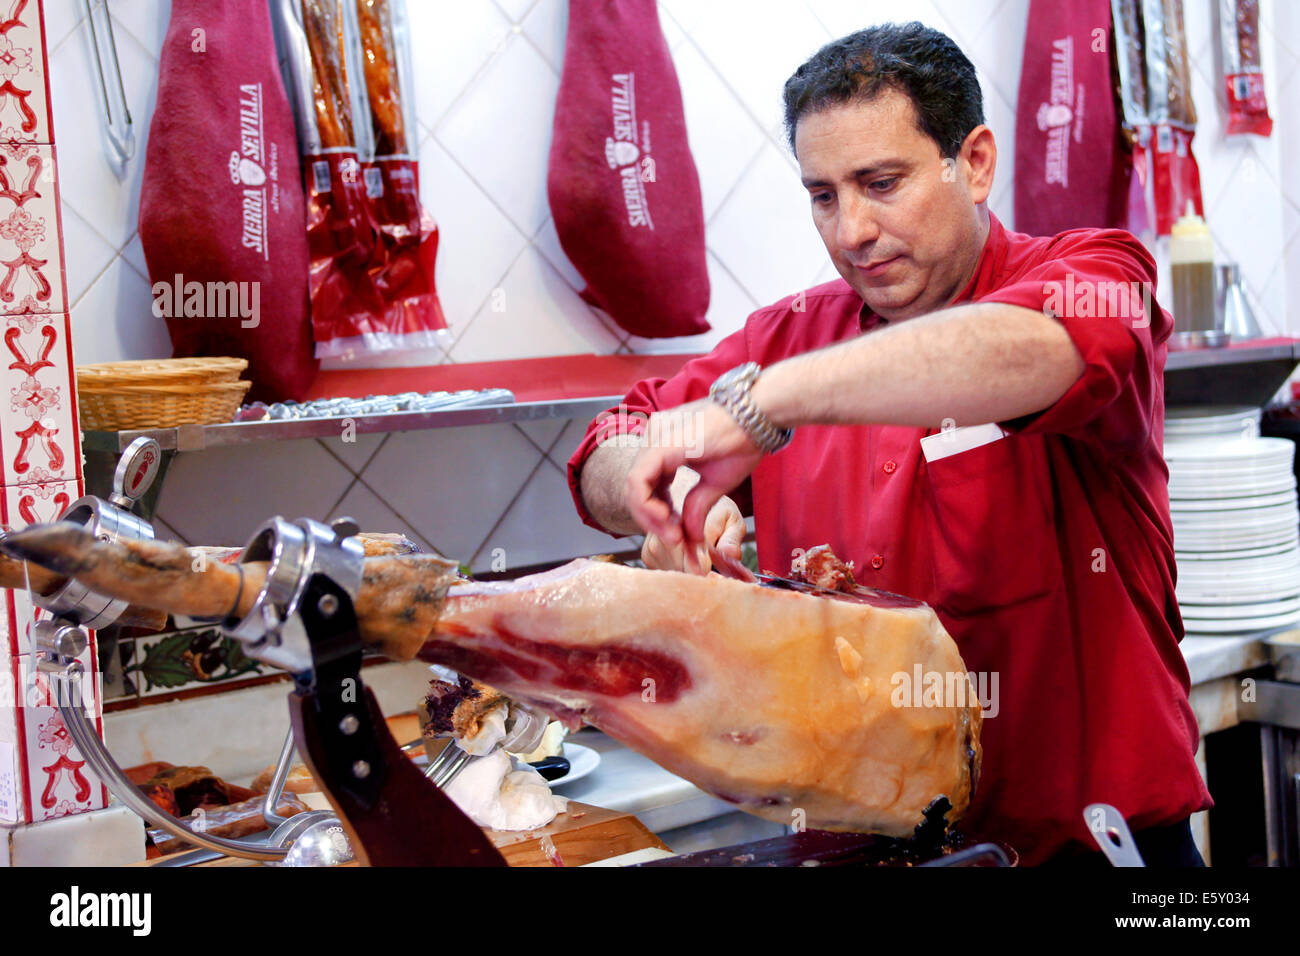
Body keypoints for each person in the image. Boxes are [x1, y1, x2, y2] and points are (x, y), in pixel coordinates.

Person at [565, 22, 1212, 866]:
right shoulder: (790, 332)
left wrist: (761, 404)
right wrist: (660, 496)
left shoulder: (1094, 270)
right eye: (824, 195)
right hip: (857, 850)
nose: (853, 231)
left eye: (881, 182)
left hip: (1094, 853)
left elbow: (1032, 346)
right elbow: (608, 445)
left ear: (973, 162)